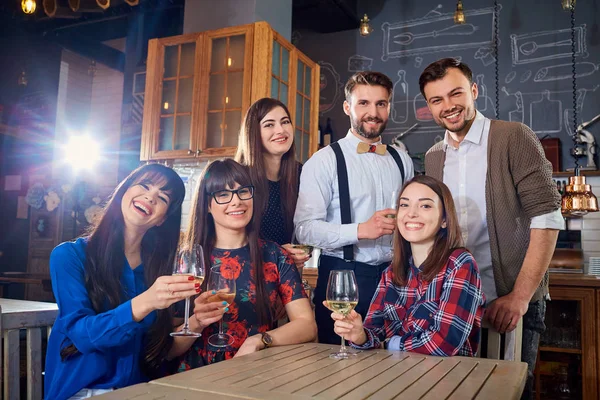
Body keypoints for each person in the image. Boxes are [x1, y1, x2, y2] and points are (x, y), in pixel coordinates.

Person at [421, 58, 563, 398]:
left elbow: (547, 217)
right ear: (428, 106)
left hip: (511, 298)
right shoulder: (433, 156)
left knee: (509, 393)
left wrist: (520, 297)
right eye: (436, 100)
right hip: (456, 302)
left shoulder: (513, 136)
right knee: (456, 392)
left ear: (473, 91)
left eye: (455, 93)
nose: (448, 106)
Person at [45, 164, 194, 400]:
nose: (150, 197)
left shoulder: (158, 270)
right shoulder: (69, 256)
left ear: (162, 219)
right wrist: (145, 302)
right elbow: (82, 334)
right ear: (124, 191)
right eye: (144, 185)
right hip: (82, 391)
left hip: (139, 391)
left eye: (163, 197)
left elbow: (157, 351)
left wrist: (198, 321)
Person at [294, 71, 415, 344]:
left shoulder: (402, 160)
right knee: (338, 367)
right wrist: (360, 230)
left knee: (394, 360)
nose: (373, 112)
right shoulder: (323, 160)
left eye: (381, 104)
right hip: (343, 277)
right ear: (348, 107)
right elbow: (304, 230)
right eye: (364, 103)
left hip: (395, 278)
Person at [170, 159, 316, 366]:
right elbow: (168, 351)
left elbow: (307, 325)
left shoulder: (274, 255)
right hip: (195, 375)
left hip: (255, 371)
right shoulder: (188, 260)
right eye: (223, 195)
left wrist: (260, 340)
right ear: (207, 205)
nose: (236, 201)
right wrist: (196, 322)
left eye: (243, 192)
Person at [331, 175, 485, 356]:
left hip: (446, 378)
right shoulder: (391, 272)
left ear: (444, 219)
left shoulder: (459, 263)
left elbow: (444, 343)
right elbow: (374, 332)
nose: (411, 213)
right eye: (404, 205)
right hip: (393, 376)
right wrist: (359, 335)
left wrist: (388, 345)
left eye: (425, 206)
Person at [235, 98, 309, 270]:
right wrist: (276, 252)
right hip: (246, 276)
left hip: (286, 278)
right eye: (269, 124)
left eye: (285, 122)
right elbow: (225, 240)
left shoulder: (301, 173)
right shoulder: (238, 178)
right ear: (253, 132)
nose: (280, 130)